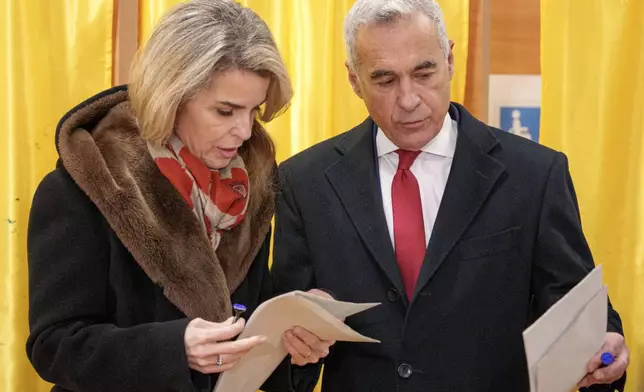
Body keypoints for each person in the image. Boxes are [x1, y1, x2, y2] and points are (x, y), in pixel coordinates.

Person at [271, 0, 630, 391]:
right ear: (354, 80)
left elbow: (576, 310)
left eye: (424, 73)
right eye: (385, 80)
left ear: (450, 60)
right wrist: (297, 346)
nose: (408, 99)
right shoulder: (304, 182)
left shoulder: (535, 175)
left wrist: (605, 348)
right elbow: (284, 350)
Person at [25, 1, 334, 391]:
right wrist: (174, 348)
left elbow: (246, 325)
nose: (243, 131)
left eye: (254, 111)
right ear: (171, 96)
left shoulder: (251, 187)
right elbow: (54, 346)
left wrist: (293, 337)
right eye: (225, 111)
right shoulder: (83, 187)